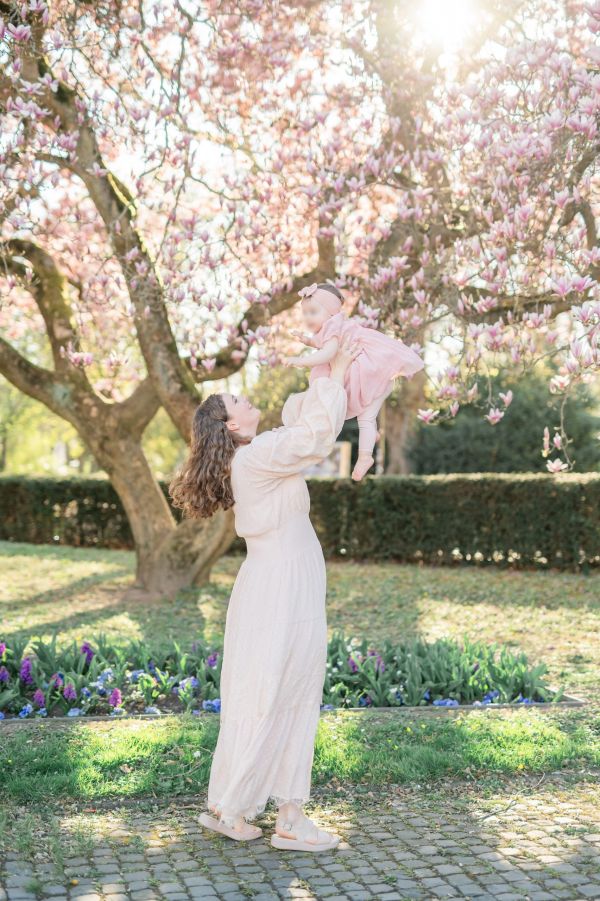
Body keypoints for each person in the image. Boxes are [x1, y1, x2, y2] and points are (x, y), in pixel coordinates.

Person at [169, 332, 361, 851]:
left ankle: (229, 806)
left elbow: (300, 426)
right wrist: (336, 375)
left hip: (269, 581)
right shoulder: (257, 458)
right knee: (289, 689)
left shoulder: (252, 457)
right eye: (238, 400)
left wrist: (322, 376)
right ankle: (289, 821)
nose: (248, 399)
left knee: (260, 691)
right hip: (284, 585)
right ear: (230, 425)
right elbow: (314, 437)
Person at [284, 282, 425, 480]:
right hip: (376, 377)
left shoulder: (332, 327)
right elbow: (322, 342)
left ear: (331, 312)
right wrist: (307, 340)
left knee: (350, 413)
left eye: (313, 312)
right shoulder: (333, 326)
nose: (307, 317)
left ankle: (368, 444)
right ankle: (366, 452)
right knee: (366, 420)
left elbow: (328, 353)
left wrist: (301, 361)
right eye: (305, 313)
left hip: (367, 377)